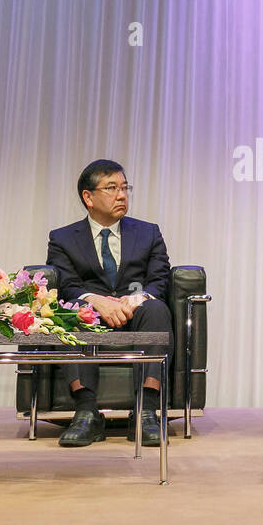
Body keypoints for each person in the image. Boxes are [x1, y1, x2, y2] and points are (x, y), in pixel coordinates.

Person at [46, 160, 172, 447]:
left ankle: (146, 411)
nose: (122, 195)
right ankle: (87, 413)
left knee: (156, 308)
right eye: (112, 188)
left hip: (137, 311)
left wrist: (134, 299)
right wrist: (95, 301)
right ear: (88, 197)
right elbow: (66, 284)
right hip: (91, 313)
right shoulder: (63, 238)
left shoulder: (148, 232)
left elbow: (160, 279)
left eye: (125, 187)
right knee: (71, 311)